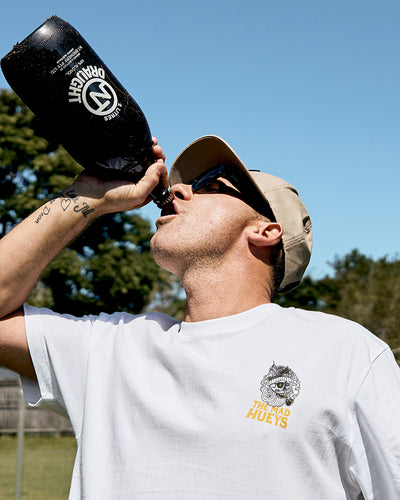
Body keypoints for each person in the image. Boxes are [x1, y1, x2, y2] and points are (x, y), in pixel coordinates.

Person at [0, 134, 399, 499]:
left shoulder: (345, 353)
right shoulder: (111, 346)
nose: (177, 190)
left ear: (266, 232)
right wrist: (87, 197)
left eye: (211, 185)